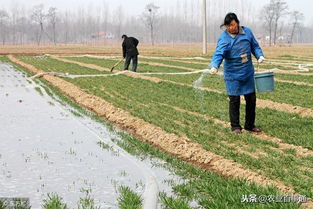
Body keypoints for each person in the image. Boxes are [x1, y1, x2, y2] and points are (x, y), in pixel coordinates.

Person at [209, 13, 265, 134]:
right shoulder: (224, 38)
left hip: (247, 72)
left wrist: (259, 55)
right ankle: (235, 126)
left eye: (233, 25)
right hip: (232, 74)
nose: (231, 28)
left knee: (251, 99)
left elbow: (254, 46)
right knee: (234, 100)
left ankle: (250, 125)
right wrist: (214, 65)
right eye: (228, 26)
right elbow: (219, 53)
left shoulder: (247, 32)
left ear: (237, 23)